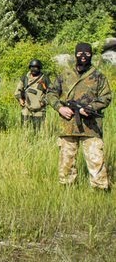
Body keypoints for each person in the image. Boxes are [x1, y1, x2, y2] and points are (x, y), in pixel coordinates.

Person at [46, 42, 112, 190]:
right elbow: (50, 93)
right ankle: (66, 189)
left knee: (96, 160)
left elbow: (106, 97)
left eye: (87, 54)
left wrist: (90, 108)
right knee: (66, 161)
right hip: (67, 124)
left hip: (91, 125)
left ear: (91, 55)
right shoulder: (65, 74)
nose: (83, 56)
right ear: (75, 54)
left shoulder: (98, 76)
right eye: (80, 53)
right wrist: (60, 108)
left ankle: (100, 190)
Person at [14, 59, 50, 131]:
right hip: (26, 109)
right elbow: (17, 91)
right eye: (32, 67)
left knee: (38, 131)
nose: (33, 69)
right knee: (24, 131)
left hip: (39, 110)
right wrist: (20, 100)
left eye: (36, 67)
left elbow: (51, 93)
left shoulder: (45, 78)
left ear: (39, 68)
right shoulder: (25, 78)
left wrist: (44, 102)